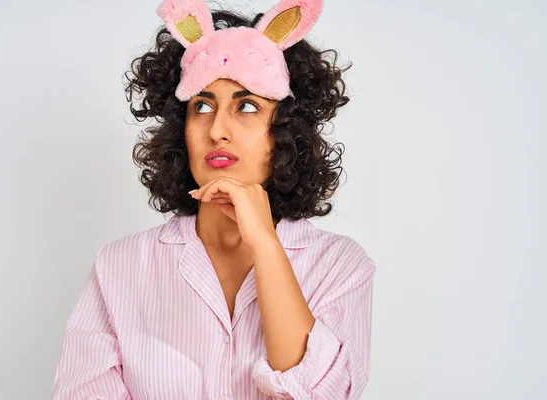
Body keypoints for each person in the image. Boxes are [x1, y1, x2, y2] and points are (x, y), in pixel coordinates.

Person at [51, 0, 377, 399]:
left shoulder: (340, 266)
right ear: (180, 129)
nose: (218, 129)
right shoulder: (118, 267)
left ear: (286, 130)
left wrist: (265, 244)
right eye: (201, 106)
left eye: (247, 107)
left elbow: (321, 393)